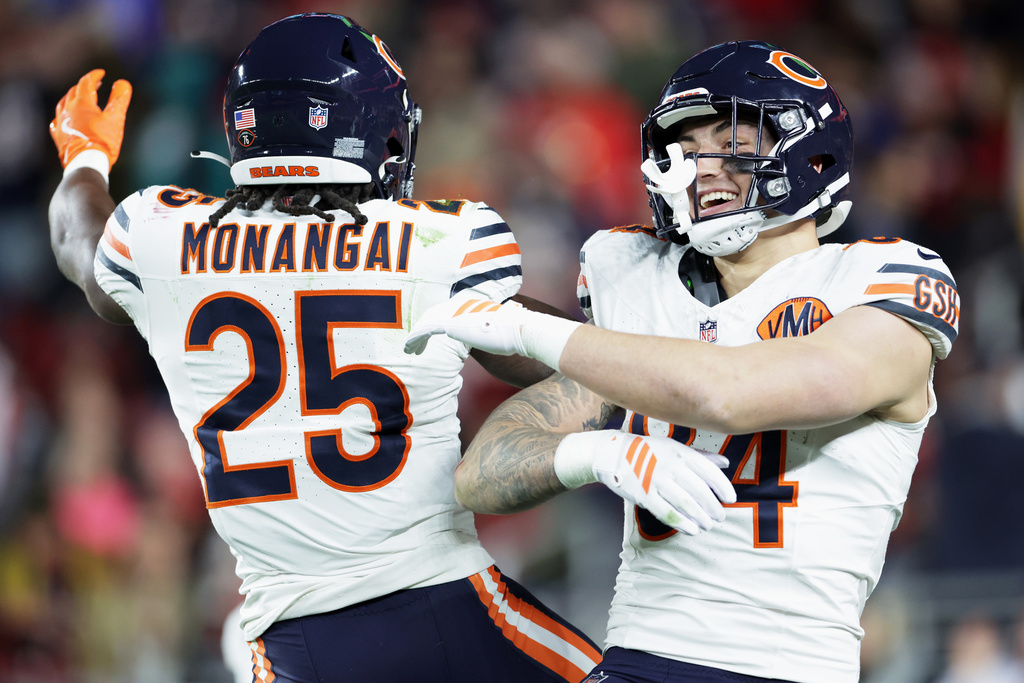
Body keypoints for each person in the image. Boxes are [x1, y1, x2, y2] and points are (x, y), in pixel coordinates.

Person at [46, 13, 604, 683]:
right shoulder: (443, 241)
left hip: (291, 645)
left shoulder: (162, 236)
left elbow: (79, 243)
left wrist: (83, 156)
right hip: (447, 608)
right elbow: (564, 358)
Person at [406, 40, 959, 683]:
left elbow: (729, 393)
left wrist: (524, 326)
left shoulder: (878, 282)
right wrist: (598, 455)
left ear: (806, 148)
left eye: (731, 141)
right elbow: (480, 474)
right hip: (636, 655)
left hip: (786, 665)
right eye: (688, 150)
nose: (704, 168)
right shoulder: (640, 284)